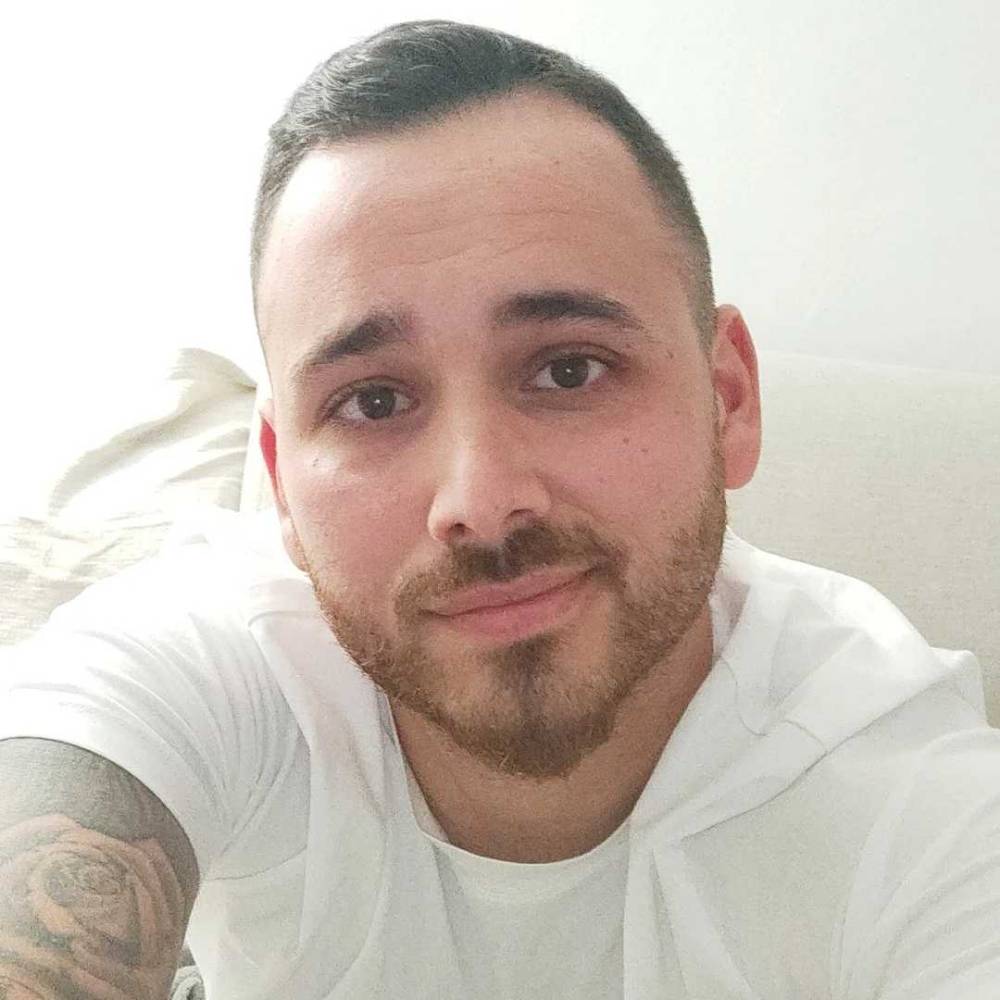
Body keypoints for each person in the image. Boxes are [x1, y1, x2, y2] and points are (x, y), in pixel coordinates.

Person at [0, 18, 997, 1000]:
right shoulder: (210, 668)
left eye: (569, 370)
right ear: (281, 480)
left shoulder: (914, 807)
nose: (478, 502)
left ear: (726, 399)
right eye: (373, 402)